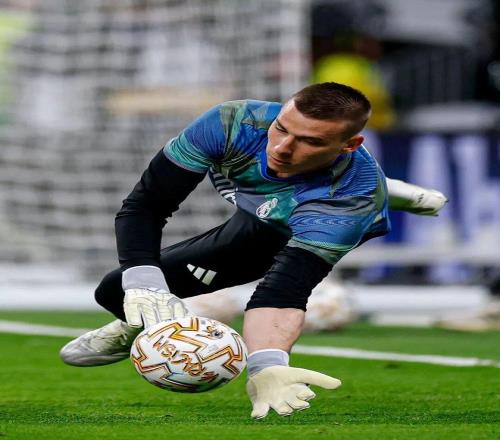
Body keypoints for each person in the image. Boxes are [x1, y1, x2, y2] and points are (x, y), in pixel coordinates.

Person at [60, 82, 446, 419]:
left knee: (127, 286)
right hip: (241, 186)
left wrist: (266, 365)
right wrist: (145, 284)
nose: (283, 147)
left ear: (349, 145)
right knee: (117, 290)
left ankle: (382, 190)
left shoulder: (345, 205)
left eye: (310, 141)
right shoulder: (234, 121)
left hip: (289, 219)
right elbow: (147, 205)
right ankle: (385, 185)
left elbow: (282, 292)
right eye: (282, 129)